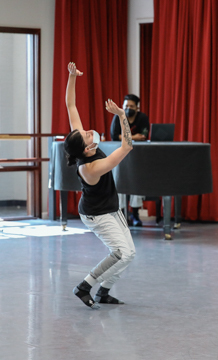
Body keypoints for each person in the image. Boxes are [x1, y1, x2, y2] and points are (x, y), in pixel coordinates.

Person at [63, 62, 135, 309]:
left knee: (130, 253)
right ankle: (85, 286)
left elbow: (70, 104)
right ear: (85, 148)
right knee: (119, 252)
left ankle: (104, 292)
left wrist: (72, 77)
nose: (87, 131)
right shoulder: (90, 167)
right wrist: (122, 115)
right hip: (96, 214)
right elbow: (127, 147)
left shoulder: (83, 143)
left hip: (110, 207)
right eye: (84, 135)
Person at [110, 94, 150, 226]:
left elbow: (144, 136)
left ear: (137, 108)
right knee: (119, 181)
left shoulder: (142, 118)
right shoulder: (118, 117)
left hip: (139, 158)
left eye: (131, 106)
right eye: (126, 106)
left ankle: (135, 214)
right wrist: (133, 137)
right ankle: (121, 213)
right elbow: (114, 136)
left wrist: (126, 137)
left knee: (136, 182)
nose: (128, 108)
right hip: (120, 158)